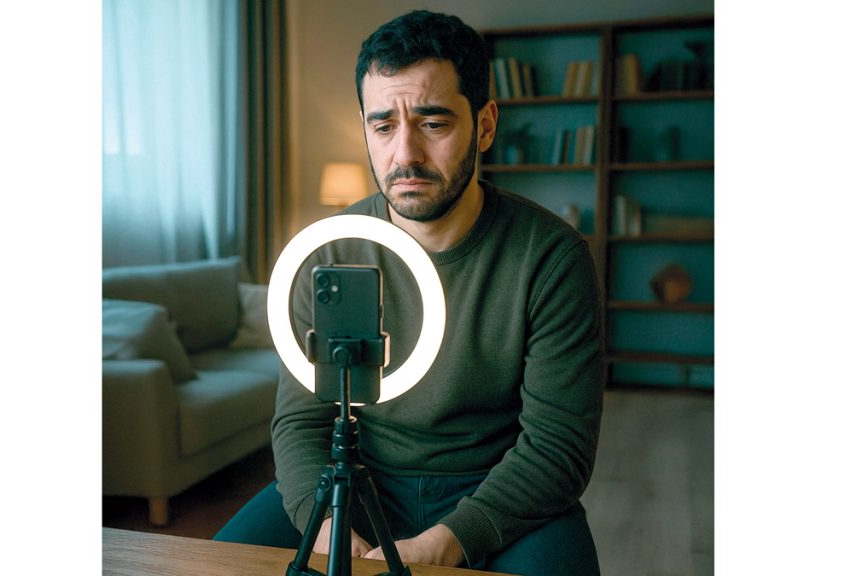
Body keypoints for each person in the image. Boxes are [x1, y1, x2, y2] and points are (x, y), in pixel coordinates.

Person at [214, 10, 604, 575]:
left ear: (485, 125)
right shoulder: (327, 252)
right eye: (383, 127)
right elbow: (301, 423)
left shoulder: (551, 258)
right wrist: (323, 527)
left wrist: (449, 542)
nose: (405, 155)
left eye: (433, 123)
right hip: (354, 482)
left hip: (499, 490)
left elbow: (557, 448)